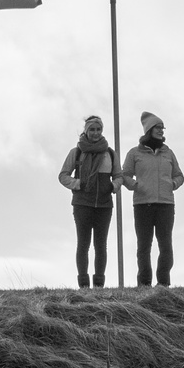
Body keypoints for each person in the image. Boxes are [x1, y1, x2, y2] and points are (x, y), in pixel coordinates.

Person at [120, 110, 184, 287]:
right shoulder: (134, 153)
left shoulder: (168, 153)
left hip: (166, 204)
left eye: (163, 128)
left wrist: (172, 184)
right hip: (142, 204)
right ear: (149, 130)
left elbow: (179, 175)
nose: (162, 131)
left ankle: (163, 283)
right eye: (158, 127)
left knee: (165, 245)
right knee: (144, 246)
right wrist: (135, 185)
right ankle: (144, 283)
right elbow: (124, 175)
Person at [58, 115, 118, 288]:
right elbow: (63, 176)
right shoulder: (76, 152)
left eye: (98, 129)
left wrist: (113, 186)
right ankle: (83, 284)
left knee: (101, 245)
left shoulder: (110, 154)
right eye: (92, 129)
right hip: (82, 204)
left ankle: (99, 284)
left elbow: (119, 176)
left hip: (104, 205)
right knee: (83, 243)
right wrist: (78, 184)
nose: (95, 133)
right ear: (86, 131)